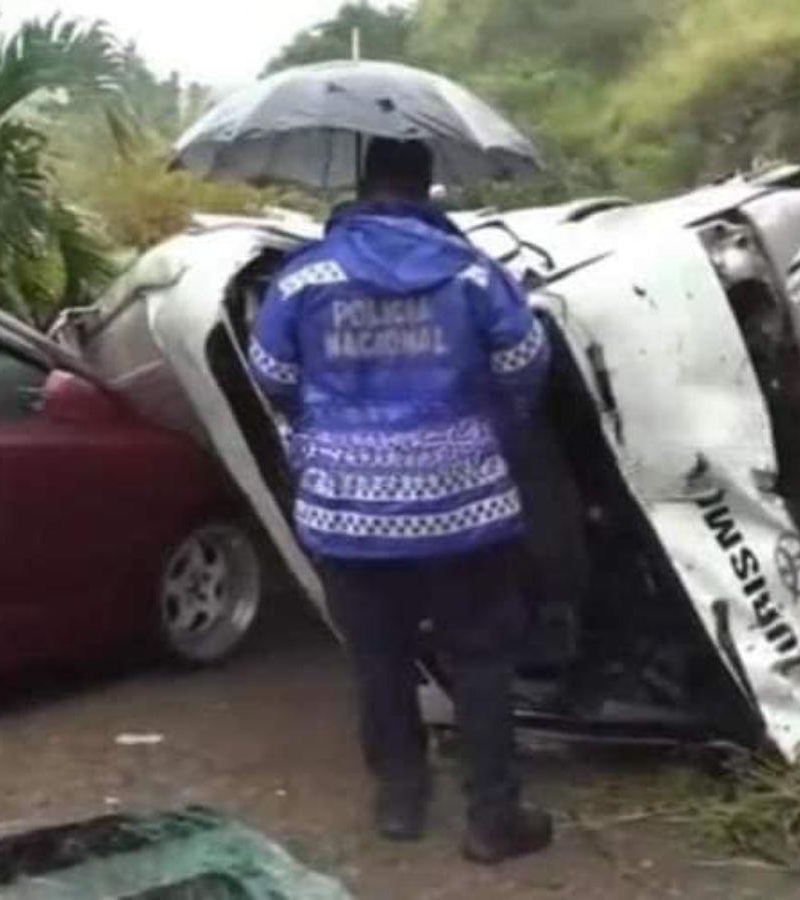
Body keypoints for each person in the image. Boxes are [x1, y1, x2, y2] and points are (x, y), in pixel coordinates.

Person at [248, 137, 553, 863]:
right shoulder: (473, 274)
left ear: (361, 184)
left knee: (379, 659)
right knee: (480, 658)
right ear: (428, 187)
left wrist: (327, 424)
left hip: (346, 512)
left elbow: (269, 370)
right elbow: (525, 361)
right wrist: (488, 426)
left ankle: (401, 801)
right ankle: (492, 819)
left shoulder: (305, 277)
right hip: (463, 509)